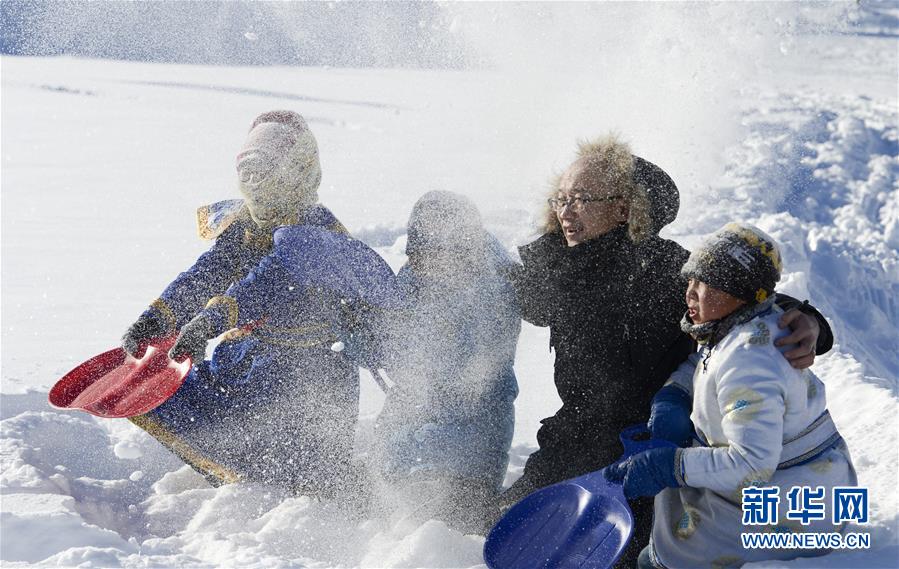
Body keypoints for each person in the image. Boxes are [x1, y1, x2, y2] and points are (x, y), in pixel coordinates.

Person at [493, 135, 833, 565]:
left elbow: (741, 298)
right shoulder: (556, 267)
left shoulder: (660, 267)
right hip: (573, 438)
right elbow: (507, 292)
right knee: (509, 531)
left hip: (651, 445)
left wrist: (809, 321)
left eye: (581, 198)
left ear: (622, 208)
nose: (565, 211)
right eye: (561, 198)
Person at [120, 110, 396, 497]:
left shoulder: (313, 238)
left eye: (264, 172)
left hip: (310, 375)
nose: (253, 184)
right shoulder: (246, 224)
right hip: (247, 355)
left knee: (304, 478)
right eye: (245, 172)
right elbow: (208, 273)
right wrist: (158, 318)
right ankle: (236, 482)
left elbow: (265, 285)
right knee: (179, 406)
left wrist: (209, 322)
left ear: (295, 174)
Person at [604, 223, 856, 568]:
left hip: (791, 507)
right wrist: (675, 394)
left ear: (741, 294)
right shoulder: (741, 326)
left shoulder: (752, 361)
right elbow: (705, 360)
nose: (690, 294)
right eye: (690, 281)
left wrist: (671, 466)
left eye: (705, 284)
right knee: (668, 530)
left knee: (669, 555)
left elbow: (751, 464)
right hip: (793, 483)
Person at [371, 191, 520, 533]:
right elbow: (396, 346)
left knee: (430, 530)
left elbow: (460, 382)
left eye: (438, 253)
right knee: (378, 509)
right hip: (409, 444)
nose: (426, 264)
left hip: (466, 452)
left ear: (464, 250)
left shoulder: (490, 296)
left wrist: (393, 357)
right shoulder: (415, 280)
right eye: (419, 254)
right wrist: (362, 334)